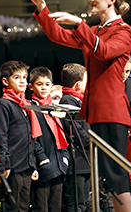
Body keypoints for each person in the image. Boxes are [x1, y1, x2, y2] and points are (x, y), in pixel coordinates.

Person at [21, 0, 131, 212]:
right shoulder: (95, 31)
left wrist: (77, 23)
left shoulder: (123, 30)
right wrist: (42, 6)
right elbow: (59, 36)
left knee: (116, 177)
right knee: (107, 178)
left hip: (112, 112)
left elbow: (103, 51)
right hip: (96, 113)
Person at [0, 60, 44, 212]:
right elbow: (1, 135)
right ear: (5, 81)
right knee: (12, 207)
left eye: (24, 77)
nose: (23, 81)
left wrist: (33, 164)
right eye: (17, 77)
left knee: (23, 205)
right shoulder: (4, 104)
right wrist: (6, 163)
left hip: (26, 165)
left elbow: (30, 137)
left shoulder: (24, 104)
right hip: (13, 166)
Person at [28, 66, 69, 212]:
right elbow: (32, 137)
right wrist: (42, 159)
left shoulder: (54, 108)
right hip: (43, 165)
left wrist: (65, 157)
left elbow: (62, 133)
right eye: (39, 84)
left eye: (47, 84)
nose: (44, 88)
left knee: (56, 206)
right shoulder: (31, 107)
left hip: (58, 165)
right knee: (41, 206)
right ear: (31, 87)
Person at [58, 63, 91, 212]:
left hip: (85, 160)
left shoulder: (80, 100)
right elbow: (76, 131)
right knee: (75, 203)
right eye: (86, 81)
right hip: (76, 162)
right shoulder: (67, 101)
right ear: (78, 85)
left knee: (84, 202)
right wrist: (92, 142)